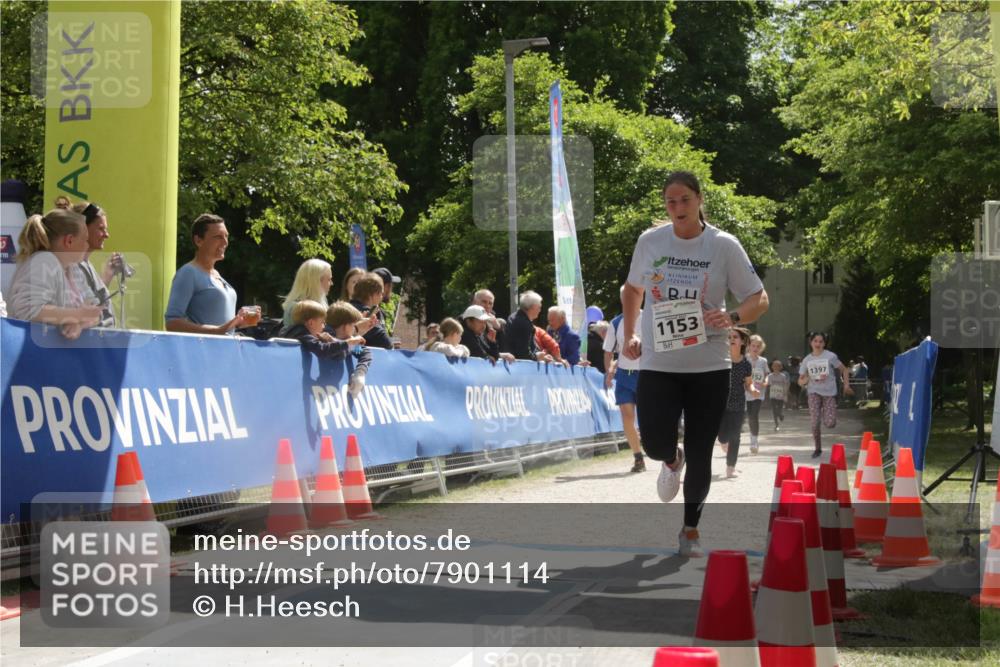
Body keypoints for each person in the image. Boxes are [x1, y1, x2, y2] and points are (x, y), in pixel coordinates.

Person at [621, 170, 768, 557]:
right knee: (654, 441)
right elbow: (632, 289)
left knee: (702, 449)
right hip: (659, 361)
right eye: (671, 202)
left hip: (709, 365)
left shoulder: (723, 245)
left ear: (700, 200)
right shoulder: (651, 241)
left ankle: (690, 530)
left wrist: (732, 317)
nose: (678, 208)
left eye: (685, 199)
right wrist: (630, 333)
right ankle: (671, 460)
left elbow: (759, 298)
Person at [8, 206, 103, 339]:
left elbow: (95, 312)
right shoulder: (44, 261)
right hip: (30, 348)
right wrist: (77, 315)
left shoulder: (74, 268)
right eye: (85, 239)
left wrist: (79, 324)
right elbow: (28, 310)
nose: (88, 245)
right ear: (69, 241)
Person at [165, 214, 251, 335]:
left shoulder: (217, 275)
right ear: (198, 240)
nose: (225, 242)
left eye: (226, 236)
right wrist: (218, 330)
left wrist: (239, 322)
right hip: (203, 347)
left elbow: (222, 327)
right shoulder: (188, 273)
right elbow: (172, 323)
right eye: (218, 237)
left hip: (224, 347)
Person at [57, 198, 117, 327]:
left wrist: (107, 276)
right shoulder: (72, 266)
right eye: (101, 229)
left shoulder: (85, 264)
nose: (106, 235)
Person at [604, 298, 644, 473]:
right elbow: (608, 351)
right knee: (627, 417)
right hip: (624, 375)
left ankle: (661, 449)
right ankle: (638, 457)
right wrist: (609, 370)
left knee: (648, 417)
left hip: (646, 374)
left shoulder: (649, 317)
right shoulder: (616, 322)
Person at [798, 331, 853, 457]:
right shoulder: (807, 360)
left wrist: (846, 385)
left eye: (821, 341)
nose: (818, 344)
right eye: (815, 341)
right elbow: (800, 381)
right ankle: (817, 448)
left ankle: (826, 413)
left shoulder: (830, 356)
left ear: (824, 343)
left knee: (830, 423)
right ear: (811, 342)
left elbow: (844, 370)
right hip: (813, 392)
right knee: (815, 422)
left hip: (829, 392)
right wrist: (810, 377)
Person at [717, 328, 757, 479]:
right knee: (722, 436)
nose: (732, 339)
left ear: (742, 341)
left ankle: (730, 467)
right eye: (729, 337)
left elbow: (748, 383)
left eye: (735, 337)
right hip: (720, 403)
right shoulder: (721, 359)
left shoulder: (746, 363)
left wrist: (753, 390)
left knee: (735, 436)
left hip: (738, 403)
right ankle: (723, 441)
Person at [326, 300, 377, 397]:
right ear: (345, 327)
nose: (355, 329)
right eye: (353, 326)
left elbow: (364, 352)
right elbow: (336, 352)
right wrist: (349, 342)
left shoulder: (351, 343)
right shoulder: (325, 338)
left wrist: (360, 373)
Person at [281, 259, 333, 326]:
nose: (331, 283)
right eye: (329, 279)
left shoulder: (318, 302)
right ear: (316, 281)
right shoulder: (298, 309)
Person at [348, 272, 393, 349]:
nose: (381, 298)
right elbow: (387, 344)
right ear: (374, 294)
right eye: (381, 294)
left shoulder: (344, 308)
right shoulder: (368, 315)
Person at [503, 291, 544, 361]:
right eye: (539, 307)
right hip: (517, 365)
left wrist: (541, 356)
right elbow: (523, 354)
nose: (540, 310)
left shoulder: (515, 317)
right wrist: (536, 357)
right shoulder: (523, 324)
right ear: (533, 307)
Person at [744, 334, 769, 454]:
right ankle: (752, 435)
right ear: (748, 346)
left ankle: (754, 441)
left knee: (754, 415)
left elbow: (767, 374)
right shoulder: (744, 359)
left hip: (758, 393)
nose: (755, 348)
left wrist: (766, 382)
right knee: (749, 416)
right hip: (746, 393)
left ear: (761, 348)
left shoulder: (763, 361)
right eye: (753, 345)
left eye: (758, 346)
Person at [765, 359, 789, 431]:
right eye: (774, 366)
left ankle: (781, 415)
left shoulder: (783, 376)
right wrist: (766, 394)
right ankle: (776, 425)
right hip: (772, 396)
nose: (776, 367)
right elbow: (767, 385)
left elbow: (785, 385)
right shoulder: (770, 376)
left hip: (780, 396)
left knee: (779, 410)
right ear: (772, 367)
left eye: (778, 366)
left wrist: (785, 395)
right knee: (774, 410)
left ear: (780, 367)